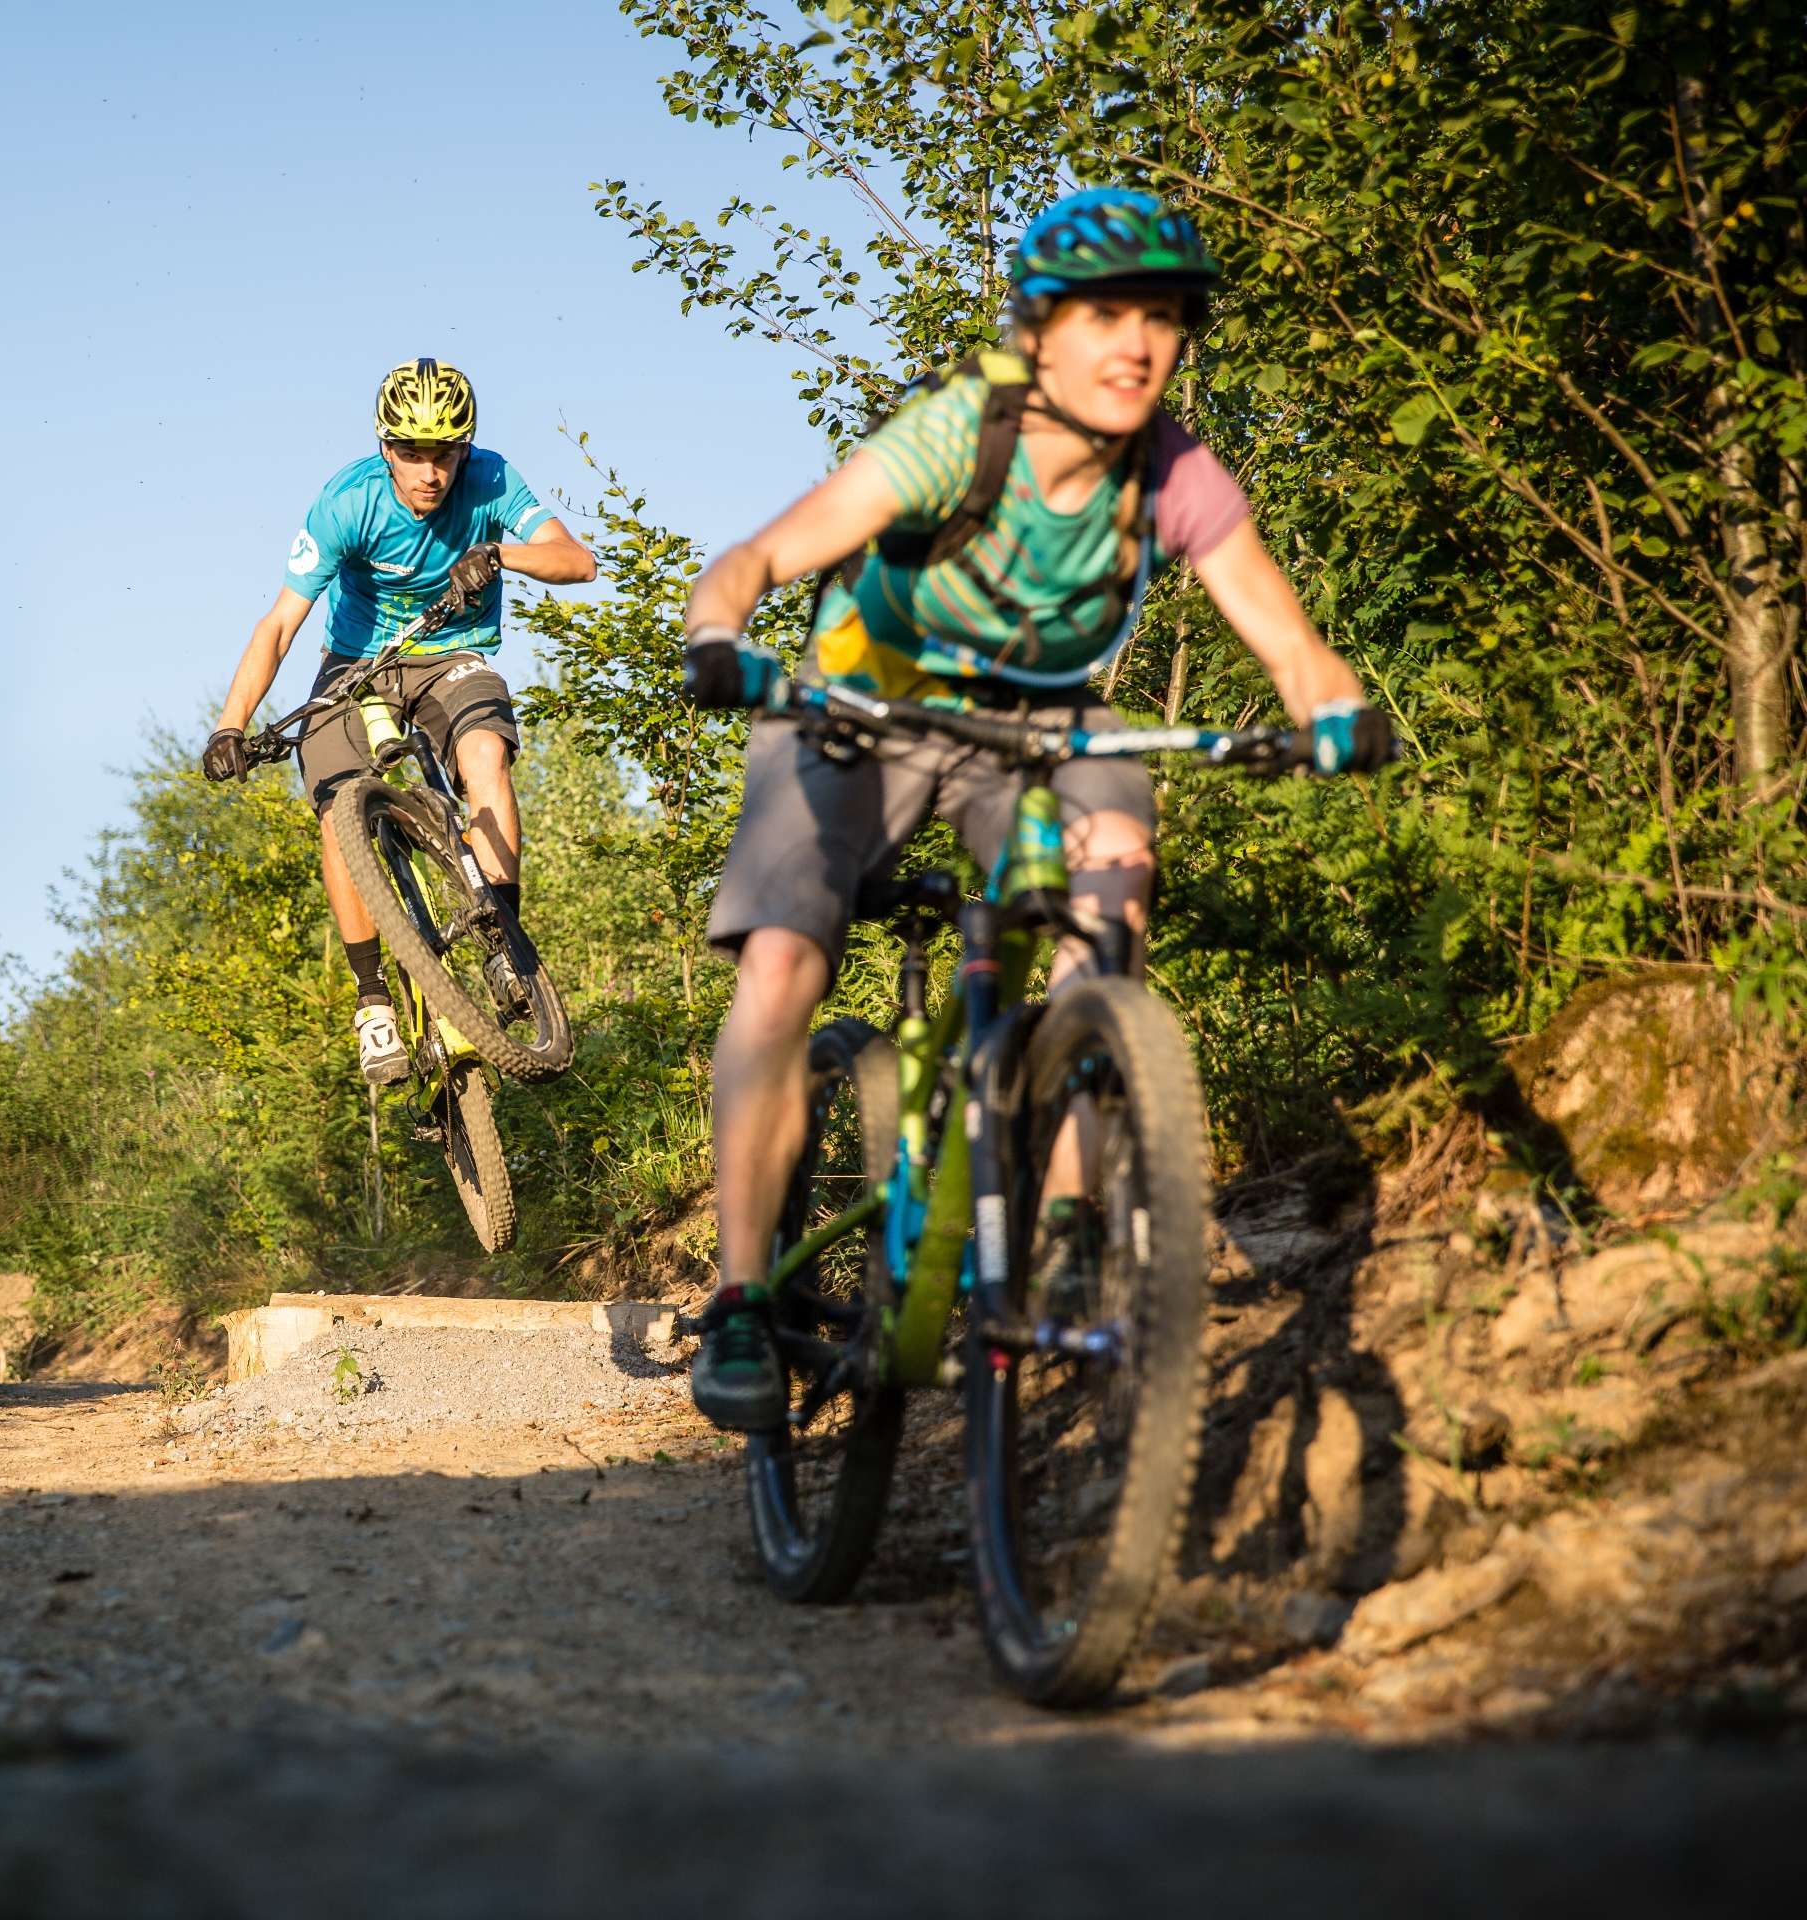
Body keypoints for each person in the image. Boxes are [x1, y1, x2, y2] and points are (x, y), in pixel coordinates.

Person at [672, 188, 1397, 1430]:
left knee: (1115, 868)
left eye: (1161, 318)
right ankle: (742, 1299)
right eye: (1105, 315)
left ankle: (1065, 1224)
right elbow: (759, 557)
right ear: (1038, 332)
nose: (1138, 344)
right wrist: (718, 636)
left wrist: (1334, 711)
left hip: (1037, 721)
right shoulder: (961, 433)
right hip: (861, 702)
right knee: (785, 958)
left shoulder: (1172, 469)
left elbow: (1290, 644)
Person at [201, 358, 597, 1085]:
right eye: (412, 453)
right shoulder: (346, 502)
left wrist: (498, 553)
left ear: (465, 449)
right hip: (354, 665)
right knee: (336, 811)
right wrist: (231, 725)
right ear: (385, 447)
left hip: (452, 655)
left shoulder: (491, 480)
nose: (430, 472)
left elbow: (578, 561)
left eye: (444, 453)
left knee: (486, 756)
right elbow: (279, 624)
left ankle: (504, 943)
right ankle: (373, 1000)